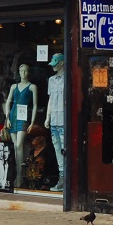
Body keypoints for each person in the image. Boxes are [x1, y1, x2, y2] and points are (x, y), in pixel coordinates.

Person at [4, 63, 38, 185]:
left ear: (28, 72)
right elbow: (8, 103)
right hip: (13, 116)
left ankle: (20, 176)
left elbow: (34, 105)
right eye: (21, 70)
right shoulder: (14, 86)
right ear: (18, 72)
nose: (23, 73)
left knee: (19, 145)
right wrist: (7, 118)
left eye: (25, 71)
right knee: (15, 146)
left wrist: (32, 122)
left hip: (23, 117)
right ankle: (16, 175)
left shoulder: (32, 87)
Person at [41, 53, 66, 192]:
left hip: (63, 119)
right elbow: (50, 100)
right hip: (54, 119)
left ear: (61, 63)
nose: (53, 66)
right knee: (57, 149)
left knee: (64, 149)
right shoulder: (51, 80)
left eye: (55, 63)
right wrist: (47, 117)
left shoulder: (67, 79)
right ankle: (61, 177)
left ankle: (66, 178)